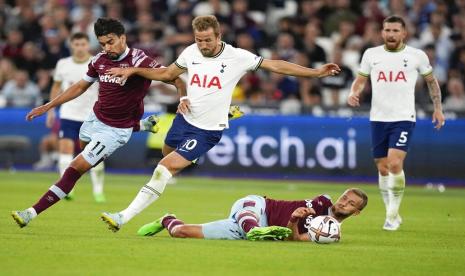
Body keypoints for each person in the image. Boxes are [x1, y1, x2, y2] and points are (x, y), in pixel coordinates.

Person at [100, 15, 341, 232]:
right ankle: (216, 124)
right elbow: (167, 74)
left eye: (207, 40)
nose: (202, 45)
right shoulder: (191, 52)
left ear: (219, 36)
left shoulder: (237, 56)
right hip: (184, 119)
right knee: (167, 155)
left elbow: (275, 65)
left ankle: (123, 217)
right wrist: (134, 70)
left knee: (163, 169)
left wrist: (316, 72)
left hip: (207, 130)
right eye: (198, 40)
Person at [11, 18, 185, 228]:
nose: (107, 47)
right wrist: (49, 105)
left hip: (115, 131)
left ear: (123, 37)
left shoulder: (140, 59)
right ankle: (141, 125)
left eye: (111, 42)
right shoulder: (99, 60)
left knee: (75, 168)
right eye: (102, 43)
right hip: (94, 119)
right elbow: (79, 87)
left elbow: (174, 77)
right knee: (83, 149)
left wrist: (182, 98)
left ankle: (30, 213)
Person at [347, 15, 445, 231]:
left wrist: (438, 108)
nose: (390, 34)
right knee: (382, 168)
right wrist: (354, 92)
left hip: (403, 117)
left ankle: (392, 215)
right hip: (378, 118)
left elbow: (432, 82)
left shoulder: (416, 56)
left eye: (395, 31)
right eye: (387, 30)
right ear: (382, 32)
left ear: (404, 33)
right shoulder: (371, 54)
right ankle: (391, 211)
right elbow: (361, 80)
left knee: (394, 163)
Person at [136, 188, 368, 241]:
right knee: (249, 215)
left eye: (350, 204)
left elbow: (294, 239)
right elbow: (324, 205)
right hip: (258, 206)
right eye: (345, 197)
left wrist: (294, 220)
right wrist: (295, 214)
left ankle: (165, 219)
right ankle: (254, 230)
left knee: (181, 232)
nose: (344, 202)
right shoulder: (324, 201)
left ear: (356, 213)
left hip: (257, 229)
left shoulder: (332, 233)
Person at [45, 32, 106, 202]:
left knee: (96, 154)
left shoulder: (97, 63)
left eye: (83, 44)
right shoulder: (63, 64)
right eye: (77, 44)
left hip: (92, 116)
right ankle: (66, 189)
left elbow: (106, 89)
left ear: (88, 45)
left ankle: (98, 191)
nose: (80, 48)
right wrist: (51, 111)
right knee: (65, 150)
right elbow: (56, 88)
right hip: (68, 114)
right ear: (72, 45)